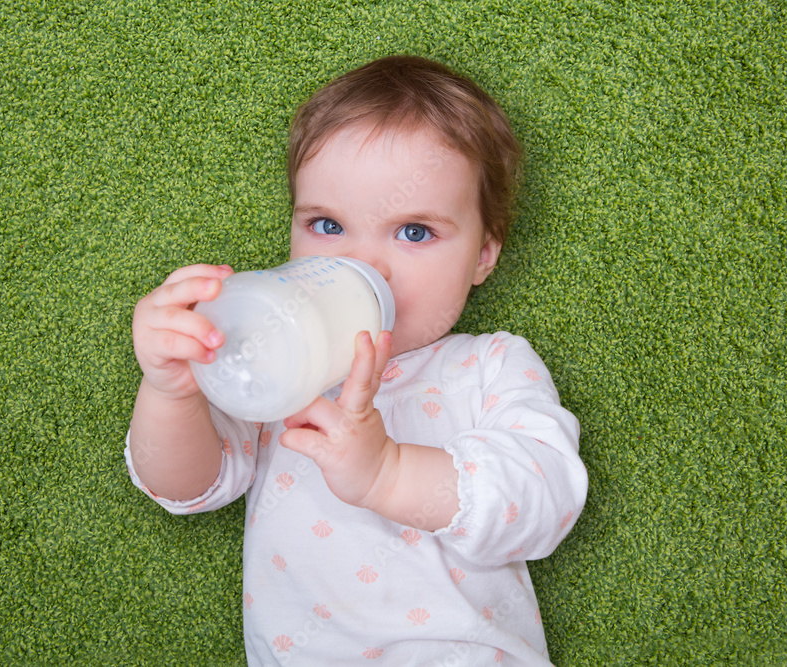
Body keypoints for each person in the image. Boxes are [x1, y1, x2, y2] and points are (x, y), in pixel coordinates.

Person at [125, 55, 588, 665]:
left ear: (483, 255)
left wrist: (388, 474)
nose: (366, 266)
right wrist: (171, 392)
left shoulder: (489, 366)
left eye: (414, 231)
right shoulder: (278, 369)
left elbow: (542, 505)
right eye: (327, 224)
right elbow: (184, 488)